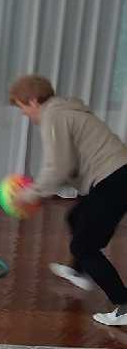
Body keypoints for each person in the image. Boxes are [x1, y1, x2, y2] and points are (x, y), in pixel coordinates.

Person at [9, 75, 127, 327]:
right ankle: (79, 272)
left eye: (22, 107)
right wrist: (42, 192)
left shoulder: (53, 115)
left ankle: (124, 305)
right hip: (116, 177)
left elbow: (58, 166)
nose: (24, 114)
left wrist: (29, 194)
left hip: (114, 179)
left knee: (85, 247)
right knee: (75, 217)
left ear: (33, 101)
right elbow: (71, 166)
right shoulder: (63, 111)